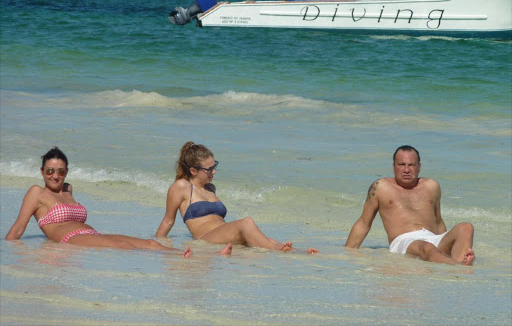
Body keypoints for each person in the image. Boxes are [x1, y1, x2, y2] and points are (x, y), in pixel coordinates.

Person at [5, 147, 199, 257]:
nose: (55, 176)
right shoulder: (36, 192)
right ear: (42, 172)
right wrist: (7, 251)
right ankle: (178, 259)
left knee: (150, 243)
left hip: (91, 233)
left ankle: (188, 255)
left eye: (60, 171)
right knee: (124, 246)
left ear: (66, 172)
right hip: (69, 239)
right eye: (49, 171)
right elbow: (18, 229)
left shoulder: (68, 189)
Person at [156, 142, 318, 254]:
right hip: (205, 239)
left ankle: (294, 251)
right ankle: (281, 252)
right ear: (193, 170)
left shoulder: (210, 189)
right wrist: (157, 246)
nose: (214, 172)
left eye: (215, 166)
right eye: (209, 169)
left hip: (223, 236)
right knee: (246, 223)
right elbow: (168, 221)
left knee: (255, 239)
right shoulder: (182, 187)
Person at [345, 145, 475, 265]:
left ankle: (458, 269)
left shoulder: (432, 186)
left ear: (419, 167)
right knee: (426, 247)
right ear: (393, 166)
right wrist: (347, 251)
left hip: (431, 238)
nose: (406, 170)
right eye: (401, 164)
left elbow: (438, 222)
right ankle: (459, 267)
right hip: (403, 241)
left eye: (411, 165)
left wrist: (446, 244)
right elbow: (364, 223)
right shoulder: (380, 187)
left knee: (466, 227)